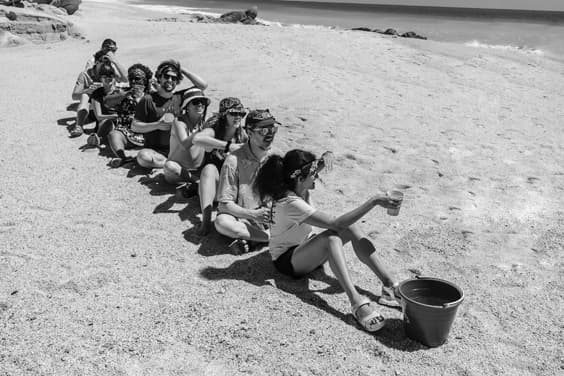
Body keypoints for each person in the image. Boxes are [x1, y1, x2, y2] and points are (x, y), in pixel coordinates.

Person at [253, 149, 403, 332]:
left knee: (353, 227)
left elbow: (309, 168)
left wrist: (325, 157)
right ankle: (356, 302)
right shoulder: (290, 203)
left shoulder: (296, 183)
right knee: (332, 237)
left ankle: (389, 286)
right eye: (314, 175)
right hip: (287, 260)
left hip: (306, 247)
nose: (317, 177)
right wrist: (373, 202)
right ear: (300, 179)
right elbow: (336, 224)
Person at [214, 109, 279, 251]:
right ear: (249, 133)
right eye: (263, 131)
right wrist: (254, 215)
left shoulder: (275, 157)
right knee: (222, 222)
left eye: (273, 129)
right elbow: (224, 205)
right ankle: (268, 238)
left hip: (273, 217)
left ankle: (254, 240)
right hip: (243, 217)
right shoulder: (233, 161)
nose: (269, 134)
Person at [131, 59, 207, 169]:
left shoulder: (180, 97)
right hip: (155, 150)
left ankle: (170, 165)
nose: (170, 80)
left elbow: (203, 85)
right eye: (166, 76)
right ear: (159, 78)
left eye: (174, 78)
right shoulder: (148, 99)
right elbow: (134, 126)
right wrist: (157, 125)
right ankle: (170, 164)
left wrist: (181, 69)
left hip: (177, 149)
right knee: (143, 157)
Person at [192, 97, 248, 235]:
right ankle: (206, 220)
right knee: (209, 169)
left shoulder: (242, 134)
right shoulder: (214, 130)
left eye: (241, 114)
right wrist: (229, 146)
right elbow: (197, 139)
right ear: (224, 115)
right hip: (215, 187)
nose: (238, 117)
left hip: (233, 189)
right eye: (233, 113)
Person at [103, 63, 153, 168]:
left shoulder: (152, 95)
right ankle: (122, 157)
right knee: (113, 134)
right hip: (126, 132)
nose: (133, 81)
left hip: (147, 132)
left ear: (145, 80)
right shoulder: (122, 92)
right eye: (131, 78)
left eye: (137, 78)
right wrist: (126, 94)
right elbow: (107, 102)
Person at [69, 50, 127, 138]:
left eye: (108, 61)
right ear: (96, 62)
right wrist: (88, 90)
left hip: (107, 107)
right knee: (85, 96)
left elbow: (126, 79)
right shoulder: (85, 75)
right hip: (92, 109)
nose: (105, 64)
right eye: (103, 61)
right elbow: (74, 96)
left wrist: (115, 61)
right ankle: (79, 125)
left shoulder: (110, 71)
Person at [163, 88, 210, 184]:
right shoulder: (179, 122)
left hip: (198, 170)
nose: (200, 104)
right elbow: (185, 144)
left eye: (203, 101)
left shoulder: (204, 123)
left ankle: (194, 182)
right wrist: (203, 130)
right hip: (178, 170)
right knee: (170, 167)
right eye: (196, 102)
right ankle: (196, 181)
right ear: (187, 106)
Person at [85, 63, 121, 147]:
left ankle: (100, 140)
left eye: (110, 77)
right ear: (101, 79)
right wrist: (114, 116)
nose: (108, 79)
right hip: (105, 121)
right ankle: (100, 139)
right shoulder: (97, 93)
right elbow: (98, 116)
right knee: (107, 123)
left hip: (119, 121)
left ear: (114, 78)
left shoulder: (119, 92)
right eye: (105, 77)